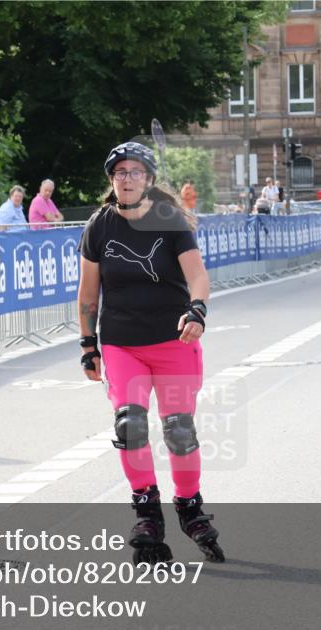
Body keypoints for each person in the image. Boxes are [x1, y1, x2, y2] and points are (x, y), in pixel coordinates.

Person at [77, 141, 222, 565]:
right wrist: (89, 344)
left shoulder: (169, 220)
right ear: (112, 180)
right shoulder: (99, 226)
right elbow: (88, 293)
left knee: (178, 430)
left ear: (149, 179)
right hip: (122, 343)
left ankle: (189, 507)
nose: (127, 178)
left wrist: (197, 309)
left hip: (174, 341)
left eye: (135, 172)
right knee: (131, 425)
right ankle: (146, 513)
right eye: (120, 172)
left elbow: (198, 277)